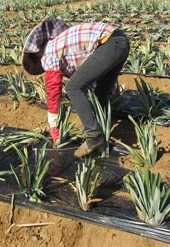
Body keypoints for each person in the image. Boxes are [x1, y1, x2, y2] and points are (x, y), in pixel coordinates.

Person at [22, 19, 130, 158]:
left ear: (36, 53)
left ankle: (94, 136)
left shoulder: (48, 53)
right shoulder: (60, 43)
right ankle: (101, 132)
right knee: (100, 93)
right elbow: (92, 74)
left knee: (72, 88)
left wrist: (54, 126)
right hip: (120, 42)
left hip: (109, 44)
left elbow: (53, 91)